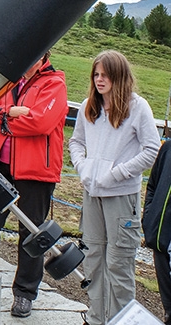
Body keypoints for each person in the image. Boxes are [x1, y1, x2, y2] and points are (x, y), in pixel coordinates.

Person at [69, 50, 160, 325]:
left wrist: (117, 174)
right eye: (96, 74)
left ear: (118, 76)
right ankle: (96, 318)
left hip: (121, 197)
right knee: (93, 259)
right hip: (91, 195)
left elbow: (151, 149)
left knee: (119, 264)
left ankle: (120, 321)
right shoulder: (88, 107)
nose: (99, 79)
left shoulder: (138, 107)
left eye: (105, 75)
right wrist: (83, 167)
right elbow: (76, 142)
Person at [0, 51, 67, 318]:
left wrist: (2, 120)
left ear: (44, 56)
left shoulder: (55, 83)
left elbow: (41, 123)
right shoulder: (10, 81)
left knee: (32, 233)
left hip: (35, 172)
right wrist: (11, 113)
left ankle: (25, 293)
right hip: (1, 167)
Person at [143, 140, 171, 325]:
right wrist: (149, 218)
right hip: (162, 239)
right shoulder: (168, 149)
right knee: (169, 308)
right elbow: (152, 185)